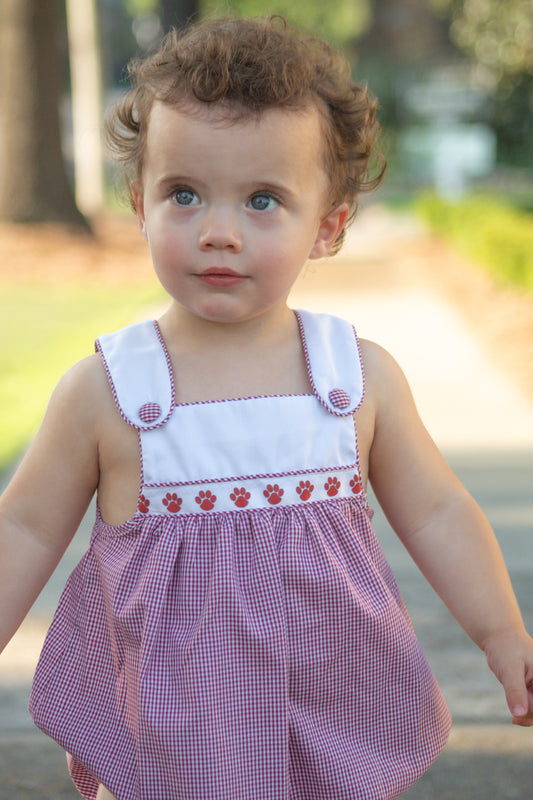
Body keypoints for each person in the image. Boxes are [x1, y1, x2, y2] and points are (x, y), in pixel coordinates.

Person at [0, 15, 532, 800]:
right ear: (139, 204)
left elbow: (439, 512)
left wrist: (502, 635)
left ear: (327, 226)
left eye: (262, 201)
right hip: (173, 731)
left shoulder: (356, 378)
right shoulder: (107, 391)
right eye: (184, 194)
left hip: (332, 714)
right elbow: (25, 525)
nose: (219, 233)